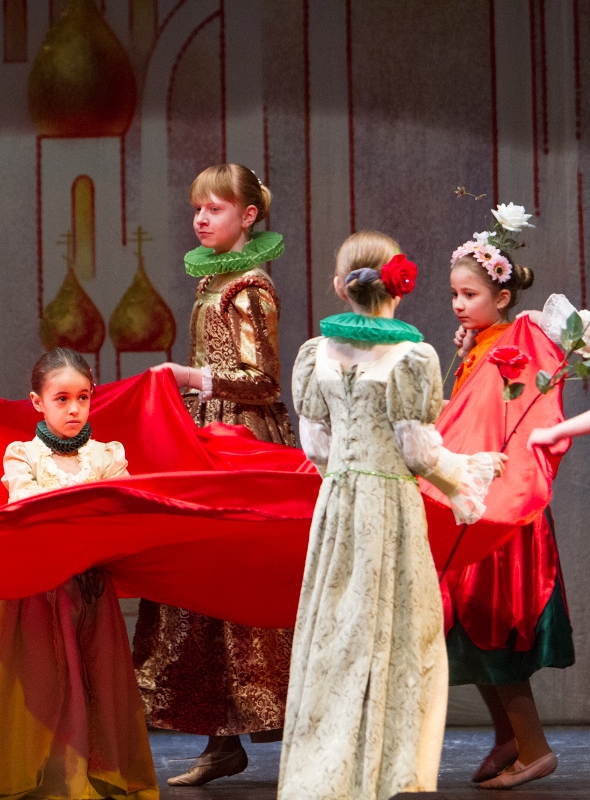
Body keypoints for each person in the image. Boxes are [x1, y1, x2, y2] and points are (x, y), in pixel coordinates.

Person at [281, 233, 505, 799]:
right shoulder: (412, 358)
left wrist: (348, 472)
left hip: (338, 505)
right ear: (399, 288)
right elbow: (418, 453)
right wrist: (466, 475)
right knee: (398, 633)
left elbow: (316, 446)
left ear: (341, 287)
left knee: (336, 633)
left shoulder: (316, 354)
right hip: (388, 508)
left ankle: (324, 776)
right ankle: (386, 772)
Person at [132, 163, 294, 786]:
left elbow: (263, 381)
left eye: (215, 209)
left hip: (244, 442)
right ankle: (220, 740)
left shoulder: (250, 288)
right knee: (204, 590)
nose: (201, 219)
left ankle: (299, 733)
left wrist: (188, 377)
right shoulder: (211, 280)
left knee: (247, 586)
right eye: (198, 208)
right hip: (206, 436)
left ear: (248, 216)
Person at [0, 348, 158, 800]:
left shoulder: (107, 456)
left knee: (97, 682)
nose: (74, 409)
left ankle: (96, 774)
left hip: (91, 590)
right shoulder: (22, 456)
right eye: (61, 399)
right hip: (41, 592)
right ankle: (57, 778)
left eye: (83, 397)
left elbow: (121, 512)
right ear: (37, 402)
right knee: (48, 683)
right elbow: (28, 510)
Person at [443, 219, 573, 789]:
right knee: (468, 630)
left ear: (500, 297)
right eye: (454, 294)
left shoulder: (517, 340)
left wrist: (525, 325)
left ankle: (536, 748)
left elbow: (516, 419)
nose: (458, 304)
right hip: (471, 501)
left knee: (495, 627)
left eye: (470, 294)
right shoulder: (481, 346)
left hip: (501, 508)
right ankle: (509, 737)